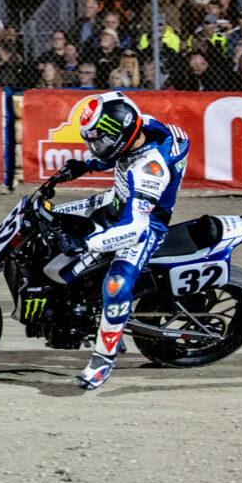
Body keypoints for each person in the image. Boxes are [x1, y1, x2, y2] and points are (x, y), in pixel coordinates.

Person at [56, 92, 189, 390]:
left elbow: (135, 227)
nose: (95, 147)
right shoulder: (146, 126)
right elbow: (119, 151)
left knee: (116, 285)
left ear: (122, 135)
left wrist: (88, 245)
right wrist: (88, 165)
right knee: (51, 220)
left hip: (144, 223)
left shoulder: (149, 170)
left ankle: (103, 361)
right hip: (117, 201)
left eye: (99, 141)